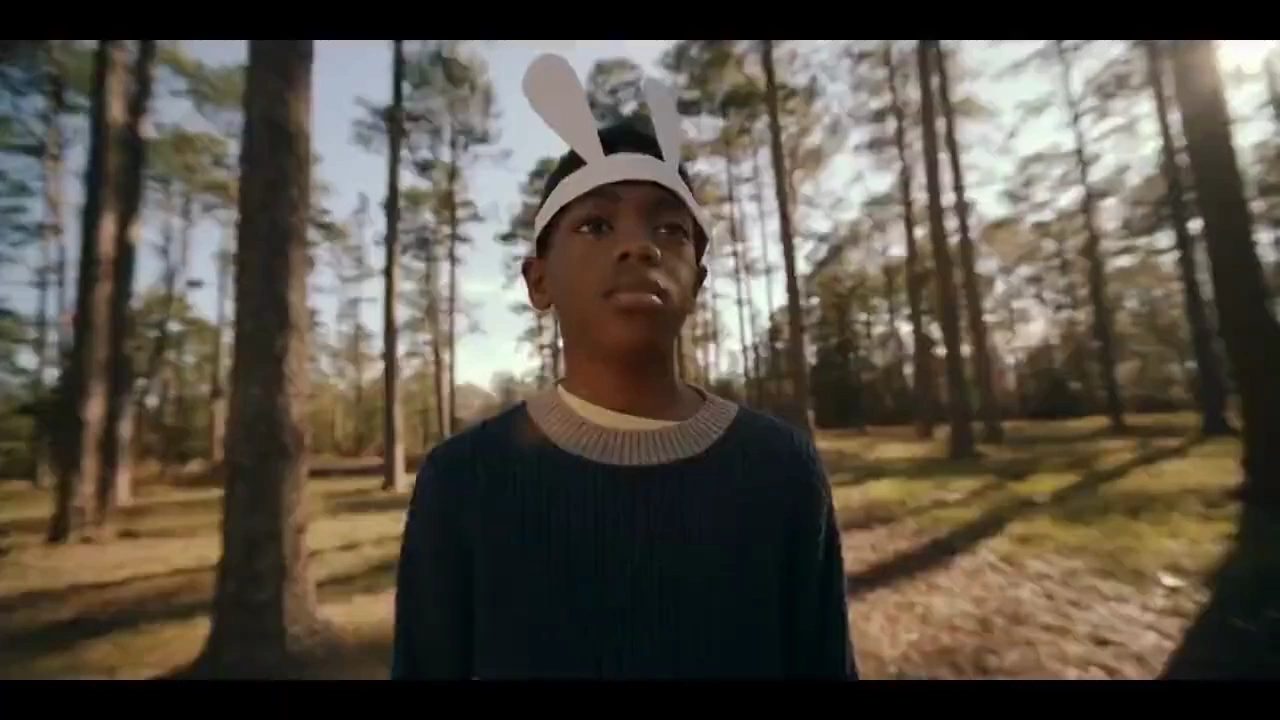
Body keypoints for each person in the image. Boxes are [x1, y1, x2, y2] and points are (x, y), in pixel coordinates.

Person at [391, 54, 856, 680]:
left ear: (698, 281)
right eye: (596, 224)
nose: (640, 245)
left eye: (670, 228)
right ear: (538, 280)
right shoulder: (462, 481)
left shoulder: (782, 469)